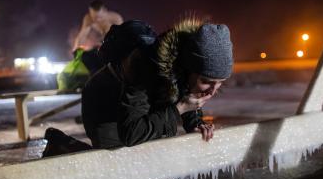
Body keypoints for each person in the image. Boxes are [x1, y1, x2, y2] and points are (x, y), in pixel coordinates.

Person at [81, 18, 233, 149]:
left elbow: (184, 91)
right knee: (117, 161)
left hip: (141, 102)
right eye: (206, 81)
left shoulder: (186, 64)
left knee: (154, 149)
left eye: (220, 83)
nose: (212, 91)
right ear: (187, 69)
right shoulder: (144, 67)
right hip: (104, 99)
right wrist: (179, 109)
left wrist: (195, 122)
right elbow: (130, 134)